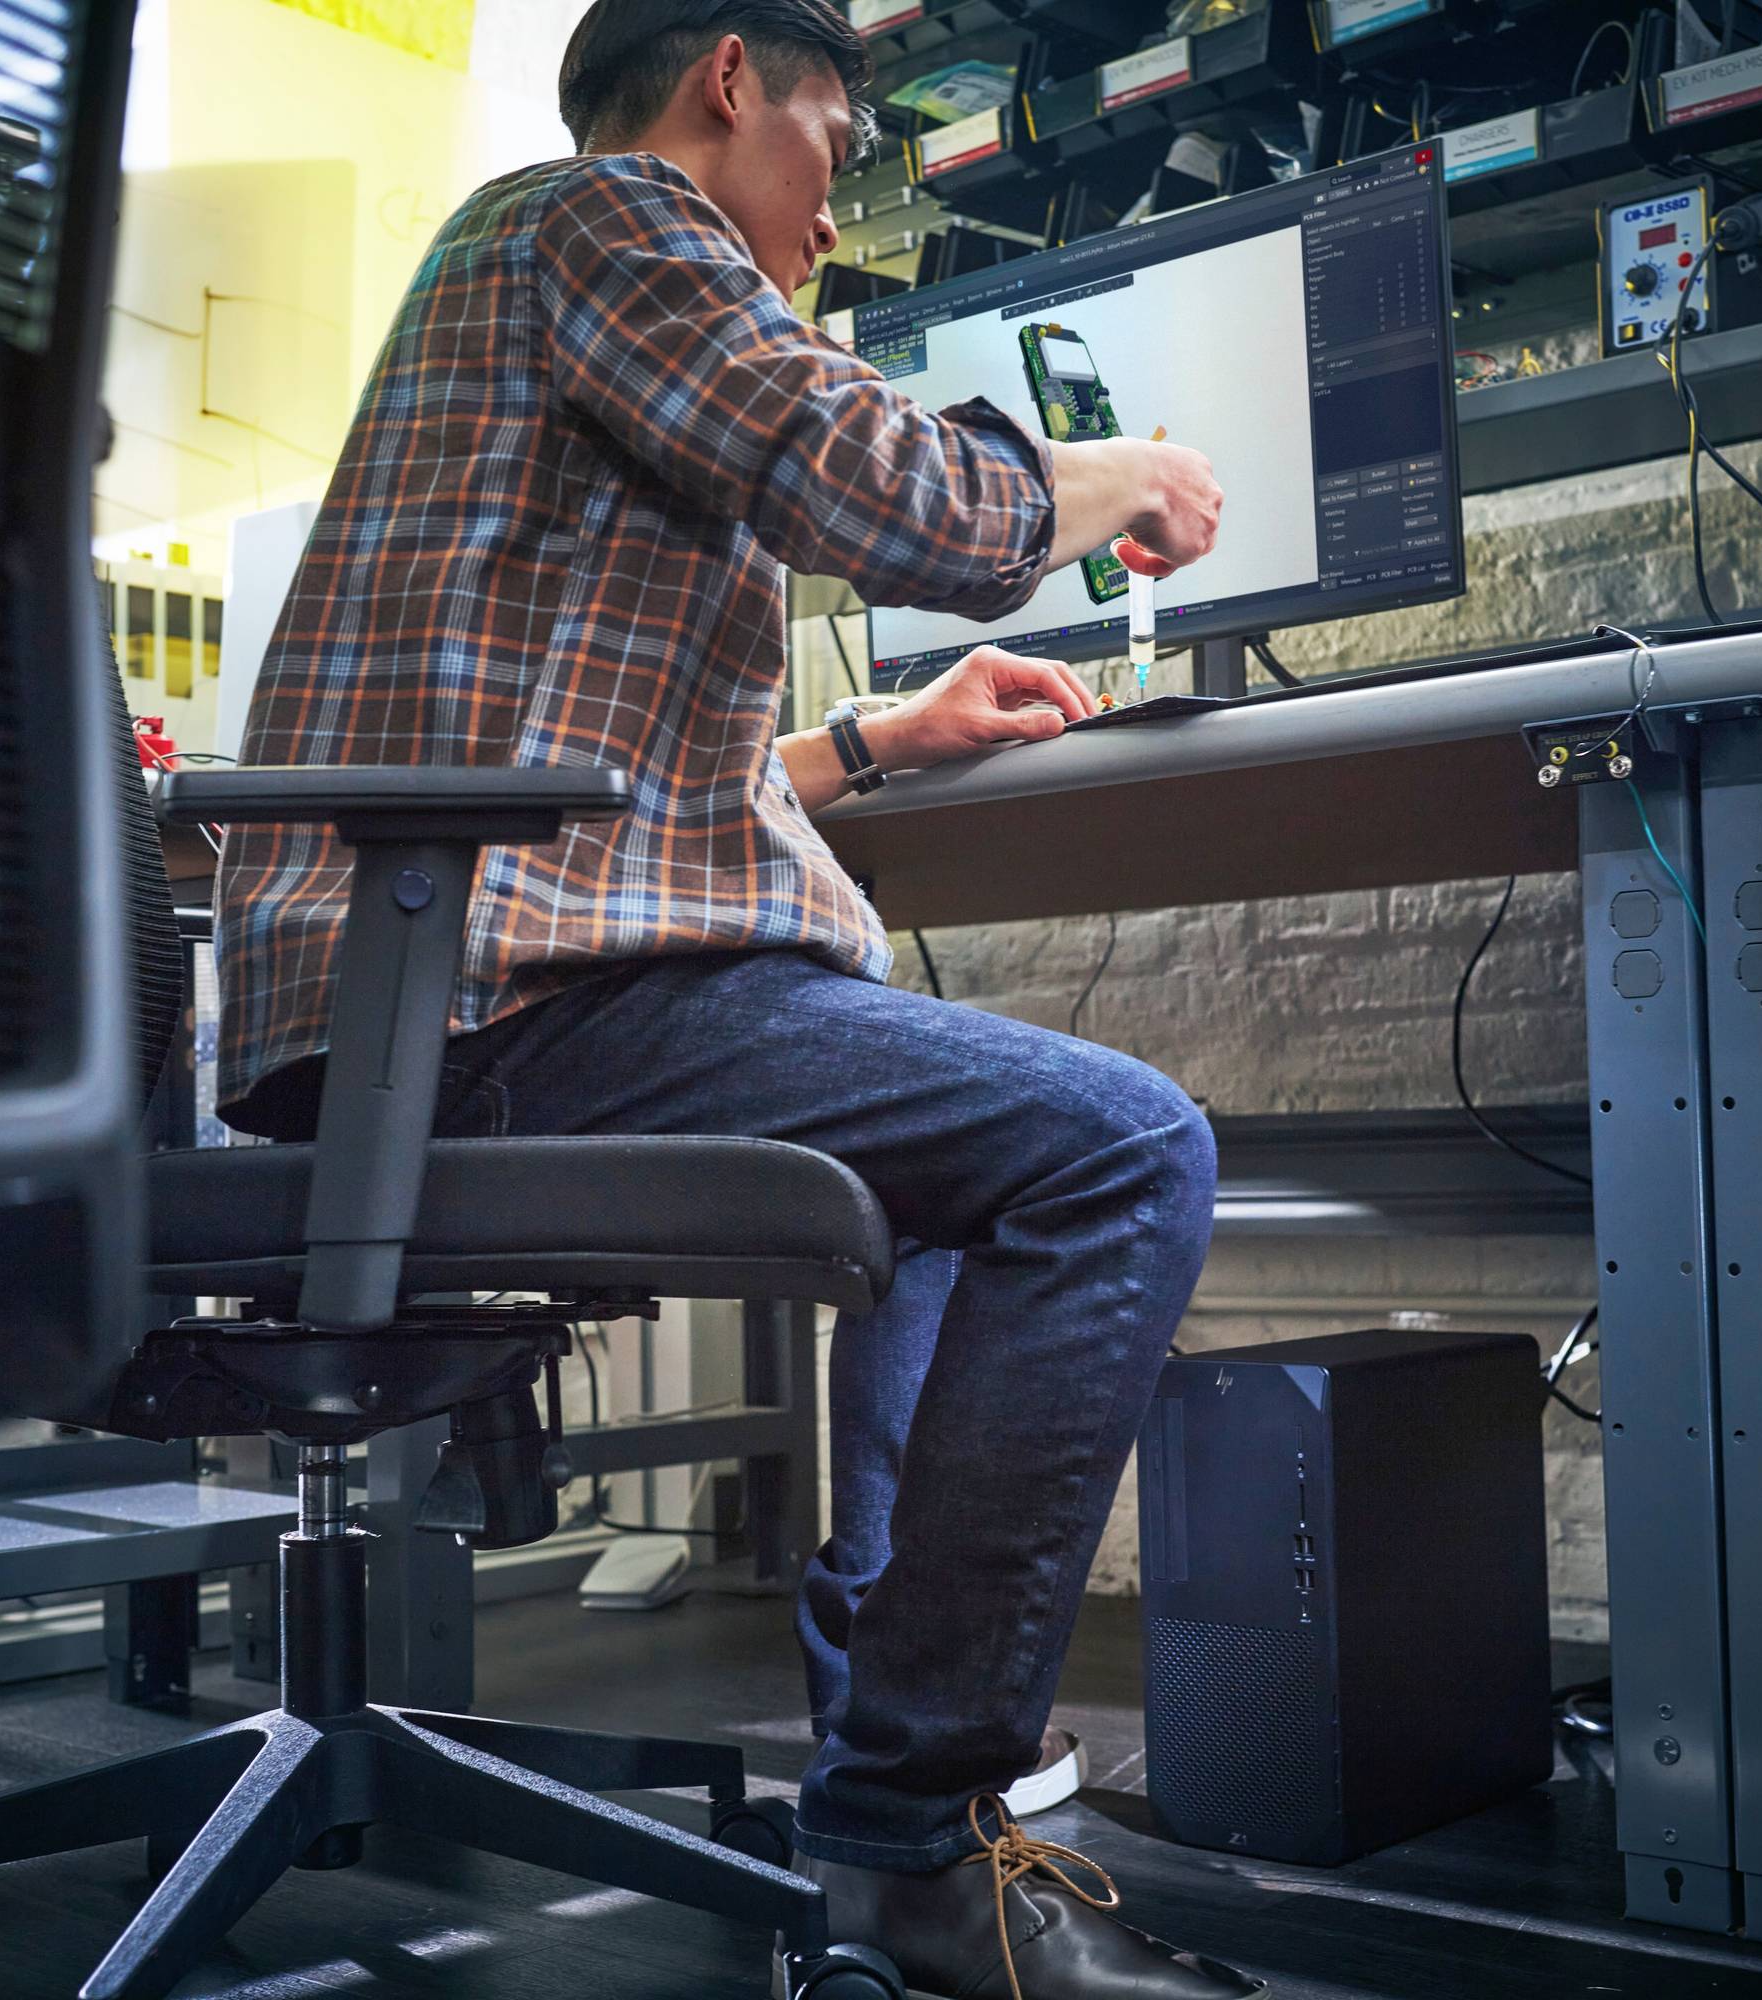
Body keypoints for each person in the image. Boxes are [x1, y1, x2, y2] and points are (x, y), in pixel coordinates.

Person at [211, 3, 1257, 1992]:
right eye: (831, 141)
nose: (821, 221)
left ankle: (897, 1782)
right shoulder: (604, 220)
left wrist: (876, 739)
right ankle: (903, 1838)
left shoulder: (530, 286)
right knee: (1123, 1153)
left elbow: (571, 803)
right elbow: (907, 505)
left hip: (429, 993)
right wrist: (1123, 473)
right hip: (477, 1017)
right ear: (727, 82)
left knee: (971, 1159)